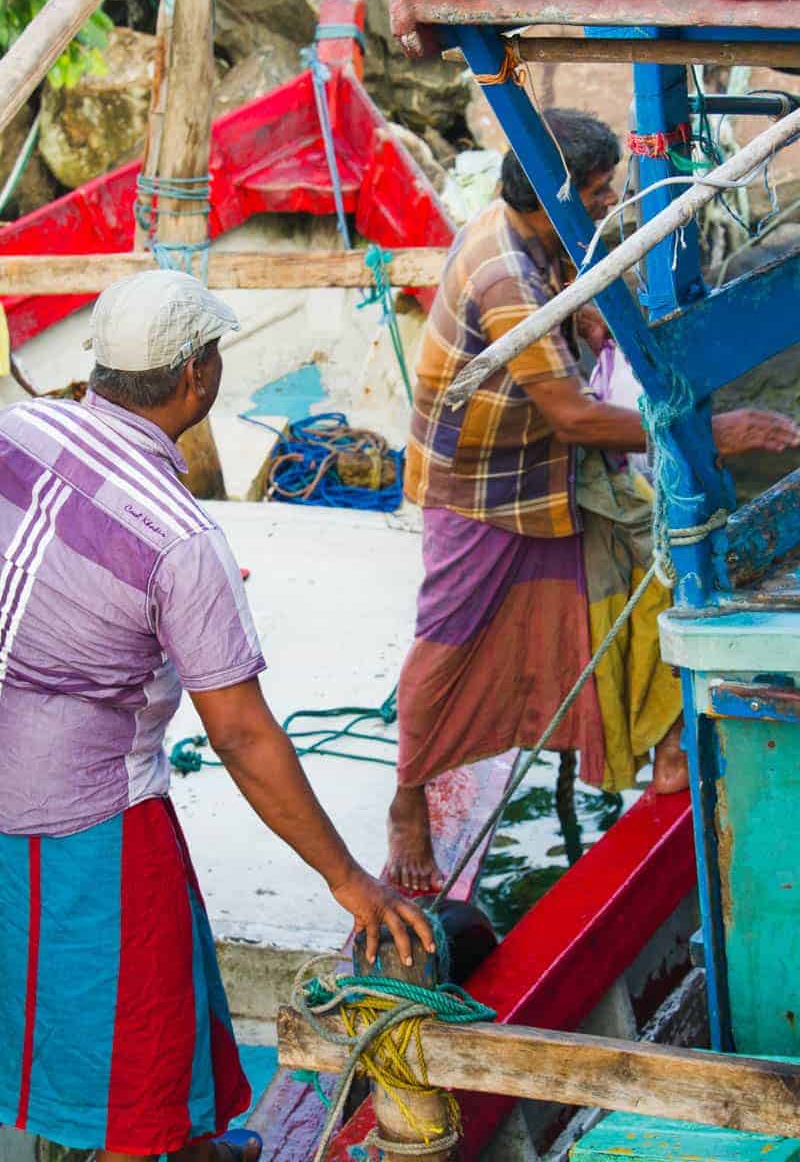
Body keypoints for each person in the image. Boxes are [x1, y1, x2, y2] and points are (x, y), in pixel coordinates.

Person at [0, 271, 434, 1162]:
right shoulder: (183, 541)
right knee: (134, 1045)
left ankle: (200, 1151)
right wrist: (348, 879)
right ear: (197, 375)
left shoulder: (20, 428)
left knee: (135, 1001)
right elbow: (240, 734)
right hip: (86, 820)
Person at [388, 110, 800, 891]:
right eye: (599, 191)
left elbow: (572, 320)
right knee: (448, 642)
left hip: (547, 470)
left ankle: (669, 745)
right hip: (479, 484)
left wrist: (585, 315)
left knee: (653, 569)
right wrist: (715, 432)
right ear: (555, 194)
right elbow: (575, 417)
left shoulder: (536, 239)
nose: (609, 203)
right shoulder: (505, 275)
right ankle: (408, 801)